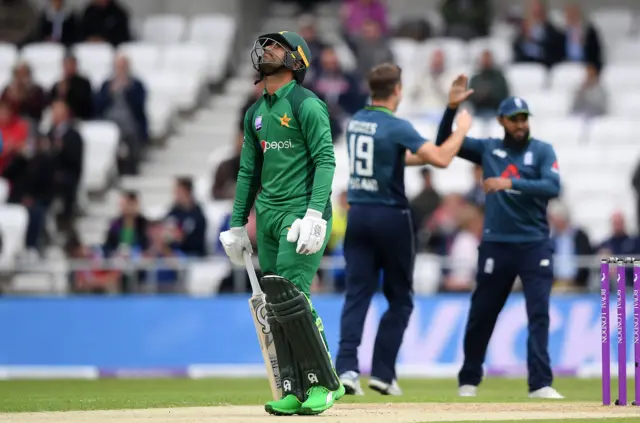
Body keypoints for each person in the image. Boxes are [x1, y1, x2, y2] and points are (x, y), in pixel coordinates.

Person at [218, 30, 345, 416]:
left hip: (301, 213)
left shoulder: (307, 105)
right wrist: (238, 223)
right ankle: (293, 386)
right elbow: (247, 173)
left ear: (296, 60)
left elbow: (326, 160)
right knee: (275, 305)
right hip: (269, 215)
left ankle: (325, 384)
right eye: (266, 45)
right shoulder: (255, 113)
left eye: (277, 46)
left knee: (293, 299)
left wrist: (313, 214)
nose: (267, 50)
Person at [335, 65, 473, 396]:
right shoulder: (396, 126)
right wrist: (462, 128)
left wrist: (450, 109)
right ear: (397, 89)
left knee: (357, 295)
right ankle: (383, 372)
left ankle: (346, 370)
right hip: (390, 217)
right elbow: (439, 157)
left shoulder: (356, 122)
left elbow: (407, 157)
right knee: (400, 299)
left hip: (358, 216)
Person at [436, 76, 563, 399]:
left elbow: (553, 187)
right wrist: (451, 109)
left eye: (524, 118)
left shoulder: (543, 150)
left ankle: (540, 384)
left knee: (538, 313)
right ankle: (468, 379)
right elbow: (444, 144)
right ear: (501, 121)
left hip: (534, 243)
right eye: (514, 119)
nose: (520, 124)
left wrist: (510, 184)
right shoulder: (489, 148)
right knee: (482, 312)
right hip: (497, 243)